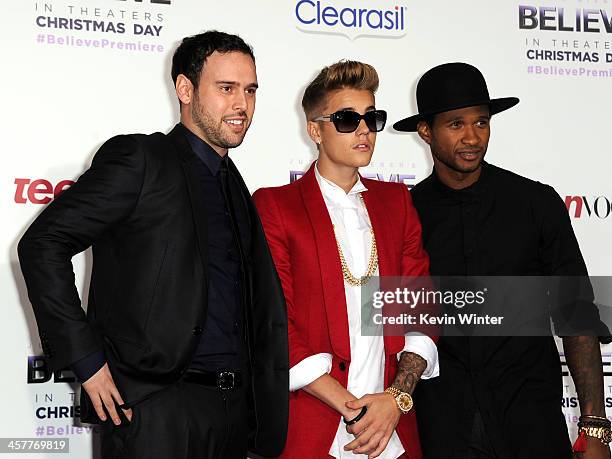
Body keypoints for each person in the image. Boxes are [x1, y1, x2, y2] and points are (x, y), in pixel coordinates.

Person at [17, 31, 288, 459]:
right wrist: (86, 361)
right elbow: (42, 243)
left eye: (250, 90)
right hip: (154, 410)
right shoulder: (140, 160)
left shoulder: (234, 184)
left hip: (230, 413)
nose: (242, 104)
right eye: (226, 88)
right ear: (185, 89)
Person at [393, 62, 611, 459]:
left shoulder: (536, 203)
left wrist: (595, 427)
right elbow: (390, 325)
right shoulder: (405, 213)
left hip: (530, 421)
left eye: (481, 122)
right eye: (456, 124)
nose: (472, 137)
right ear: (426, 131)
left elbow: (576, 315)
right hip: (440, 426)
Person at [253, 60, 438, 459]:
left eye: (372, 118)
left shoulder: (396, 203)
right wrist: (353, 409)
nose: (364, 130)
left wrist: (394, 400)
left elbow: (419, 308)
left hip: (392, 429)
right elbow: (272, 320)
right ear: (315, 129)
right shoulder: (276, 206)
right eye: (347, 119)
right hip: (312, 425)